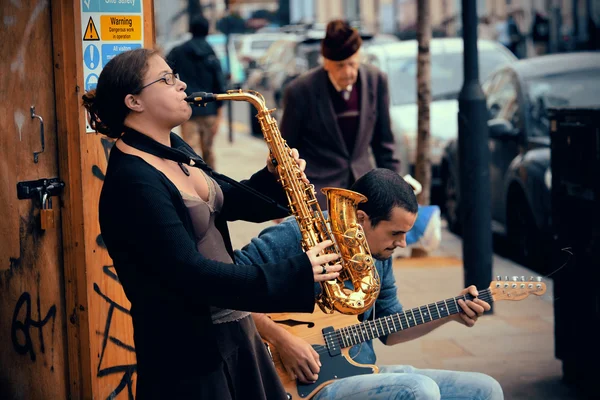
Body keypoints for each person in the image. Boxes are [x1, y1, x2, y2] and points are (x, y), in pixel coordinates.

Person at [81, 48, 343, 399]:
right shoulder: (133, 182)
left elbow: (228, 200)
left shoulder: (172, 147)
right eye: (168, 79)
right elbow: (191, 274)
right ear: (134, 101)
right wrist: (297, 271)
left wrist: (274, 177)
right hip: (190, 359)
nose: (182, 84)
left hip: (236, 333)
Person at [235, 169, 504, 400]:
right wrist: (280, 339)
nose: (402, 244)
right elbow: (226, 287)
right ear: (361, 219)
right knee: (419, 390)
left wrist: (451, 313)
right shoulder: (295, 235)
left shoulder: (377, 254)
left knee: (485, 389)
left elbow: (391, 328)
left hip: (362, 373)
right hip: (305, 386)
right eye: (395, 233)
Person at [279, 19, 400, 209]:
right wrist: (284, 199)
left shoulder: (376, 81)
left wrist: (395, 194)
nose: (348, 72)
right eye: (340, 66)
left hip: (364, 192)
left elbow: (384, 144)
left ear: (359, 57)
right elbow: (286, 151)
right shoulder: (300, 90)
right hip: (320, 195)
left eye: (352, 64)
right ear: (326, 63)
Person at [166, 14, 225, 169]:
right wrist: (219, 115)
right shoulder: (211, 53)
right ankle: (213, 182)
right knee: (209, 151)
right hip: (210, 110)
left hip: (188, 107)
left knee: (190, 151)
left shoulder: (177, 52)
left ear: (190, 30)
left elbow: (165, 74)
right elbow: (220, 85)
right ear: (207, 31)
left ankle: (193, 184)